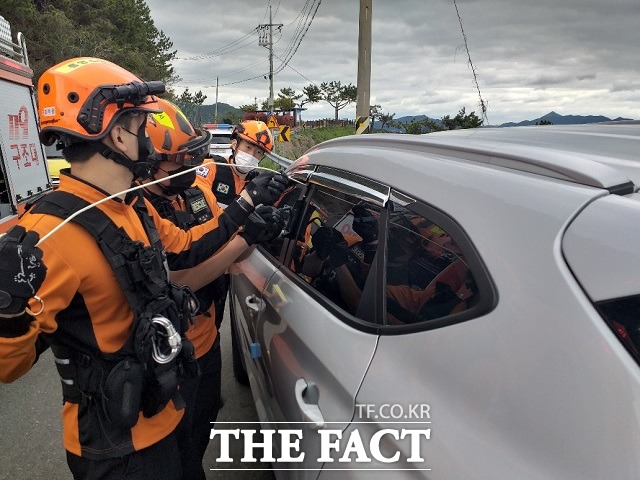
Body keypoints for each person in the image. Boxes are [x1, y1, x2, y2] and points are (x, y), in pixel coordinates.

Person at [0, 57, 287, 479]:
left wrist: (245, 210)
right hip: (114, 447)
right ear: (117, 133)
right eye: (139, 128)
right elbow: (9, 367)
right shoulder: (48, 235)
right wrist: (9, 309)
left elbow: (188, 249)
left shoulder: (129, 207)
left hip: (160, 414)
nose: (148, 144)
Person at [143, 98, 284, 479]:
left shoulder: (195, 192)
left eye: (260, 151)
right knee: (179, 445)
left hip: (205, 335)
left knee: (204, 416)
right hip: (172, 347)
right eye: (180, 160)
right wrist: (245, 227)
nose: (190, 168)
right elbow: (183, 269)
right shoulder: (140, 209)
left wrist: (257, 225)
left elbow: (215, 234)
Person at [198, 120, 276, 329]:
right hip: (201, 259)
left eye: (258, 152)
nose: (252, 155)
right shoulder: (212, 168)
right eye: (248, 147)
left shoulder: (258, 184)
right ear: (235, 144)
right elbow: (198, 211)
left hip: (230, 266)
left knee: (215, 322)